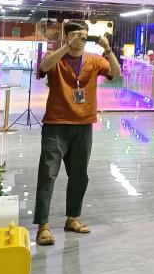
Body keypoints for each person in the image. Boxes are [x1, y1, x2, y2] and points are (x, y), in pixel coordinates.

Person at [33, 20, 119, 247]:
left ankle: (73, 217)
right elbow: (43, 68)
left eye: (83, 35)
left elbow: (116, 72)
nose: (80, 39)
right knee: (48, 174)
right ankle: (43, 225)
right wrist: (66, 47)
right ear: (67, 36)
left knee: (80, 175)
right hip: (56, 124)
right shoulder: (56, 57)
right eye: (75, 35)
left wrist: (108, 50)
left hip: (83, 125)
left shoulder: (93, 59)